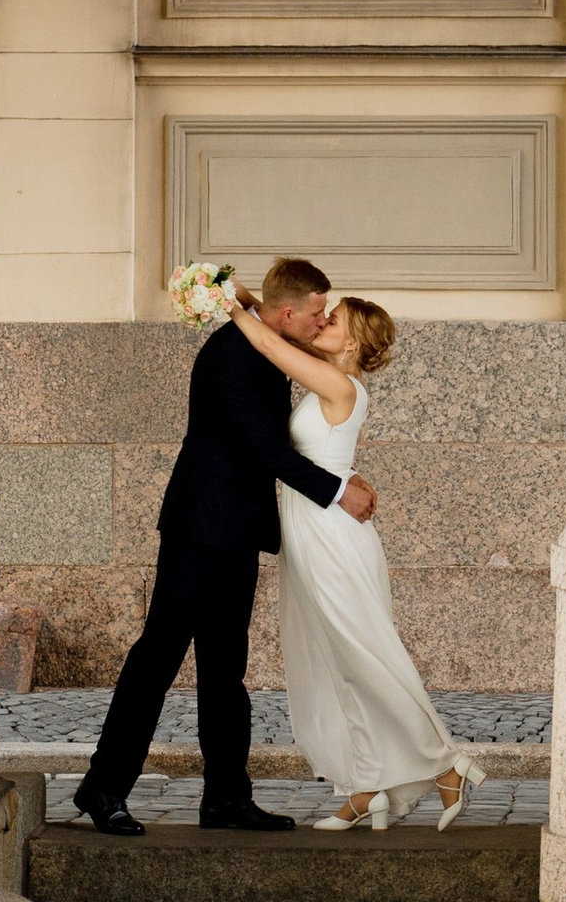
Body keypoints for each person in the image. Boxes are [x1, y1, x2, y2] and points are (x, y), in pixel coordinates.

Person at [68, 255, 377, 838]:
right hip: (199, 526)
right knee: (157, 656)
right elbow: (267, 449)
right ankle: (102, 788)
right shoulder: (232, 355)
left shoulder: (267, 343)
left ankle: (227, 800)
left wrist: (346, 472)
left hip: (236, 530)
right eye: (316, 314)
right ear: (287, 313)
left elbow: (304, 434)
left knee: (224, 670)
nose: (321, 324)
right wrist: (337, 493)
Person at [222, 284, 473, 831]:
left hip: (331, 535)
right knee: (339, 664)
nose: (322, 324)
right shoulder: (327, 383)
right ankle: (365, 788)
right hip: (311, 530)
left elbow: (268, 343)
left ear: (354, 342)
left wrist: (229, 304)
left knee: (362, 655)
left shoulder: (339, 383)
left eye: (333, 321)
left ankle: (446, 762)